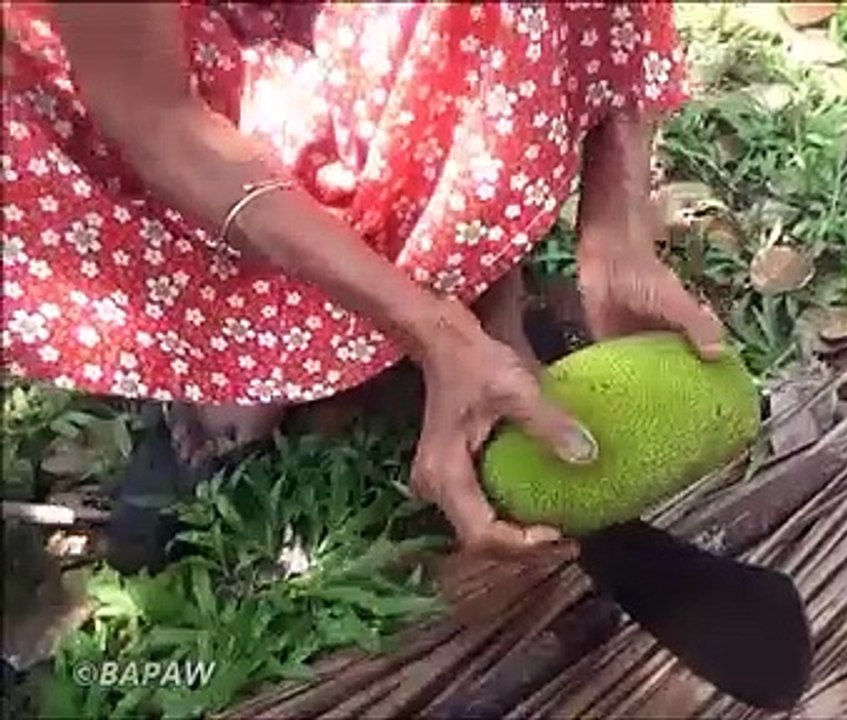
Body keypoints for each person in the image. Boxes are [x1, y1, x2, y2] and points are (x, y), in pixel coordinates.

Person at [1, 2, 726, 570]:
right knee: (249, 161)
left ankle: (481, 293)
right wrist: (423, 326)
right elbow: (153, 114)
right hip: (185, 53)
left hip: (388, 35)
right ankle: (241, 356)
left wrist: (617, 219)